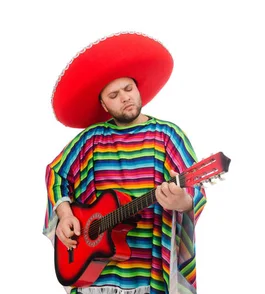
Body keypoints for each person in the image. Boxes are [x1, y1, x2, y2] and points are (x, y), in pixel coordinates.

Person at [42, 32, 207, 294]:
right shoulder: (90, 140)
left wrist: (183, 201)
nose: (125, 98)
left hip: (149, 272)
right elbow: (56, 173)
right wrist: (64, 214)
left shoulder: (167, 136)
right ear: (104, 106)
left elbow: (194, 190)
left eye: (129, 89)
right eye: (114, 95)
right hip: (96, 275)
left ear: (139, 88)